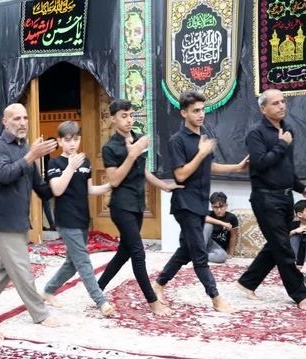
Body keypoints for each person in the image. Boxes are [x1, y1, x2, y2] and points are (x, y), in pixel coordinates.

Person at [152, 91, 248, 313]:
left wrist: (236, 167)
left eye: (203, 110)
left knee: (187, 250)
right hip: (185, 204)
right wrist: (201, 153)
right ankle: (216, 298)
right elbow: (181, 175)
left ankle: (159, 284)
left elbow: (209, 166)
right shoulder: (177, 140)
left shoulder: (201, 138)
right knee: (199, 254)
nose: (201, 114)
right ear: (183, 113)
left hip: (199, 203)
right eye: (195, 110)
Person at [96, 100, 182, 316]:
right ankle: (152, 301)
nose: (129, 120)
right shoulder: (110, 147)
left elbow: (142, 171)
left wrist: (164, 186)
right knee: (137, 252)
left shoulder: (138, 139)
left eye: (131, 115)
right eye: (123, 116)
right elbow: (114, 180)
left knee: (123, 253)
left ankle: (96, 290)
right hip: (121, 206)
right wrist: (132, 154)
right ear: (113, 119)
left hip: (137, 205)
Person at [0, 103, 59, 327]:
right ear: (5, 122)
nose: (22, 123)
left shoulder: (25, 148)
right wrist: (31, 155)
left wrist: (64, 177)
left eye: (25, 118)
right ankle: (40, 314)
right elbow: (5, 174)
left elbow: (40, 187)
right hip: (2, 220)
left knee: (4, 270)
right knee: (22, 269)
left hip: (19, 219)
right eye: (16, 118)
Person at [236, 89, 306, 309]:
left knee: (277, 244)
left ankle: (247, 282)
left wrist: (301, 188)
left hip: (286, 197)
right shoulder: (255, 133)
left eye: (283, 101)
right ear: (263, 109)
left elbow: (286, 168)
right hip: (265, 199)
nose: (281, 106)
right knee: (284, 248)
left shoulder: (287, 129)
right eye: (275, 103)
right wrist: (282, 144)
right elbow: (260, 163)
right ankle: (300, 295)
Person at [40, 121, 114, 316]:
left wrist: (109, 186)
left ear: (79, 139)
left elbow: (89, 189)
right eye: (67, 140)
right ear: (60, 142)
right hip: (66, 219)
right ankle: (101, 302)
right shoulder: (55, 163)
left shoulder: (85, 162)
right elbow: (57, 189)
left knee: (72, 264)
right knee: (83, 261)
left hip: (82, 218)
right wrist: (70, 167)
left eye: (75, 139)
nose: (72, 143)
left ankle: (48, 291)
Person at [203, 192, 238, 263]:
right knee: (207, 225)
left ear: (226, 205)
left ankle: (198, 255)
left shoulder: (231, 217)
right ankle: (199, 253)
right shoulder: (208, 214)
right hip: (205, 242)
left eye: (221, 207)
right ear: (212, 207)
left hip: (217, 248)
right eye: (215, 207)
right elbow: (202, 218)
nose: (219, 210)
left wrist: (231, 253)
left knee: (222, 256)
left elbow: (233, 236)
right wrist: (223, 223)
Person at [42, 137, 57, 231]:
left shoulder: (46, 153)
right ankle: (51, 224)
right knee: (45, 201)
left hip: (43, 181)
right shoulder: (42, 152)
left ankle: (44, 224)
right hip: (40, 181)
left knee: (43, 202)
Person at [289, 200, 306, 274]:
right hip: (299, 256)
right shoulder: (293, 225)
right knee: (294, 236)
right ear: (299, 214)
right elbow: (282, 238)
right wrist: (295, 231)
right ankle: (293, 263)